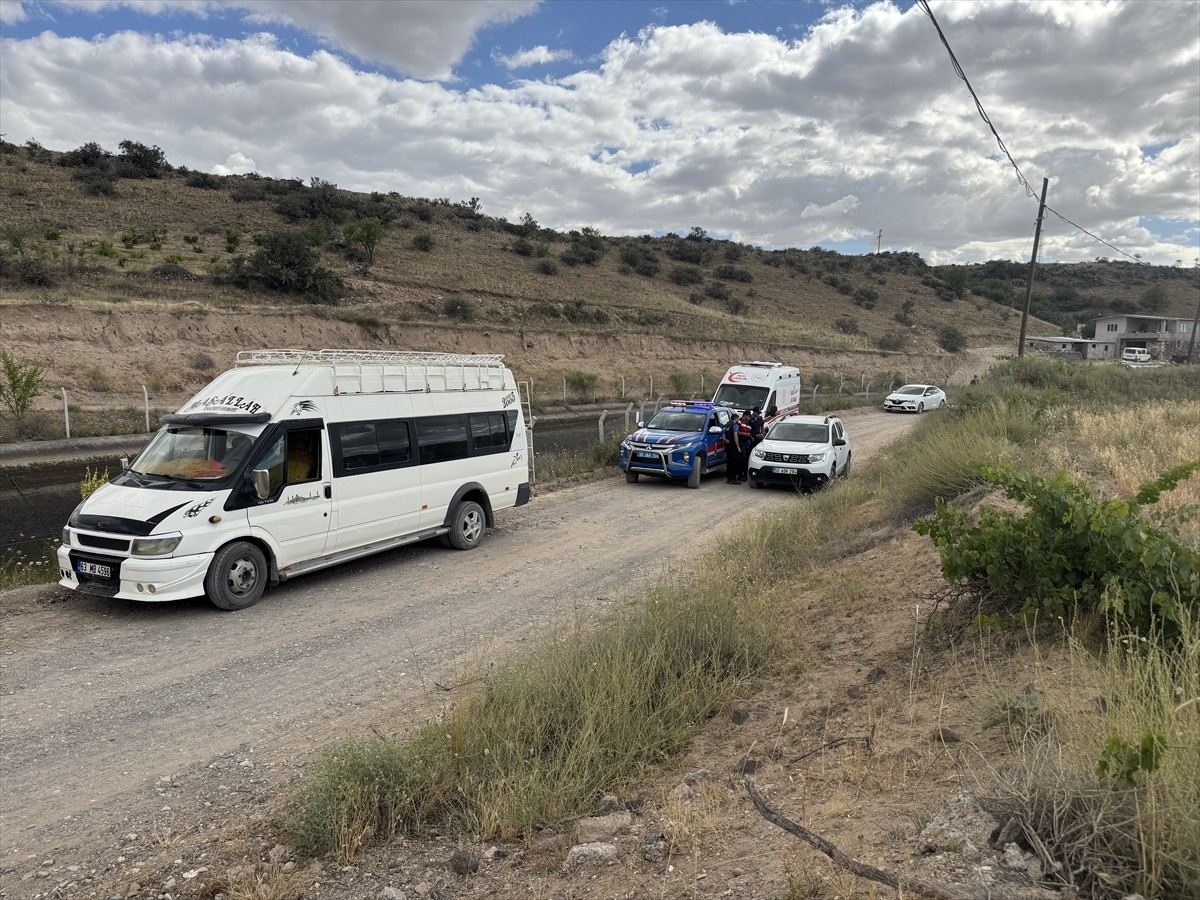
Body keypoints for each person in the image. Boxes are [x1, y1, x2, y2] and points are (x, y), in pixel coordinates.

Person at [725, 413, 743, 483]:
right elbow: (735, 436)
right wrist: (738, 447)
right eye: (738, 419)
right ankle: (733, 478)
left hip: (727, 445)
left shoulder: (727, 424)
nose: (738, 420)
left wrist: (725, 440)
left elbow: (724, 434)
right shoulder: (735, 425)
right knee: (735, 462)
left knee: (729, 462)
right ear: (735, 419)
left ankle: (728, 478)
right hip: (733, 445)